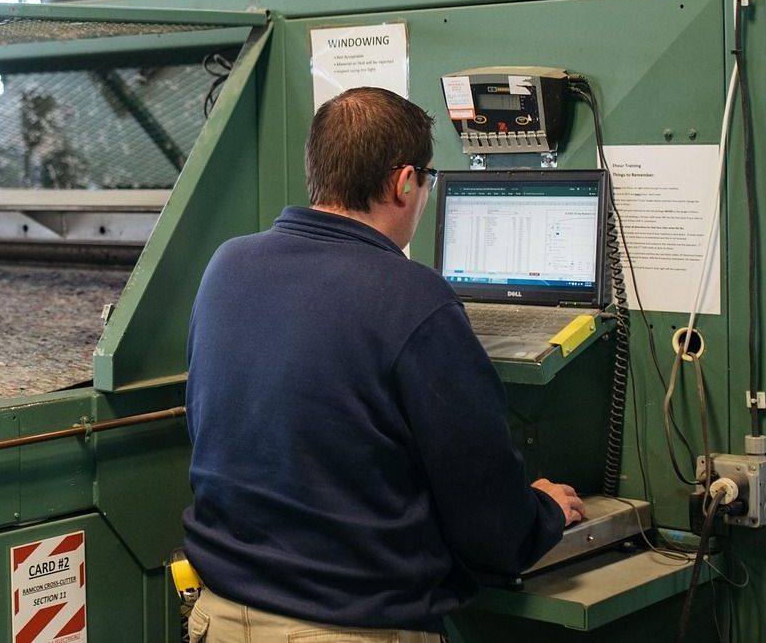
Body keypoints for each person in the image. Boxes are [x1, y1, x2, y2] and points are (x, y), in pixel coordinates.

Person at [183, 86, 585, 642]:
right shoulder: (414, 298)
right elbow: (485, 509)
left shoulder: (227, 266)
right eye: (427, 181)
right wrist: (542, 512)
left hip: (221, 615)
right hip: (348, 627)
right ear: (403, 182)